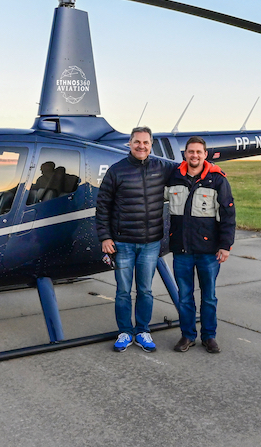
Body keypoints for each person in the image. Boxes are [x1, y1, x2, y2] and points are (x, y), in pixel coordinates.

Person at [96, 126, 176, 352]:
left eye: (146, 143)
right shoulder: (117, 171)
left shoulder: (162, 167)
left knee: (145, 290)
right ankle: (125, 331)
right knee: (123, 291)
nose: (141, 146)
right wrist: (105, 237)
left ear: (151, 145)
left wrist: (212, 172)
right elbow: (103, 206)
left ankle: (142, 331)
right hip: (122, 243)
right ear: (129, 144)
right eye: (137, 142)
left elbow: (187, 170)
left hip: (150, 243)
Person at [166, 136, 235, 353]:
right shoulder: (174, 177)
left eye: (198, 152)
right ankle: (187, 336)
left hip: (208, 251)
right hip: (182, 250)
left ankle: (209, 336)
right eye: (190, 152)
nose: (194, 155)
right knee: (185, 297)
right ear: (185, 154)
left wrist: (225, 245)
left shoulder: (218, 180)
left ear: (205, 155)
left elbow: (228, 214)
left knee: (209, 296)